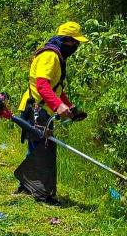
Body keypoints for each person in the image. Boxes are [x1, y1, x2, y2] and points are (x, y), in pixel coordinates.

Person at [14, 21, 88, 205]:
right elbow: (42, 85)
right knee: (43, 151)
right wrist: (58, 106)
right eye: (75, 43)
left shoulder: (57, 56)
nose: (77, 47)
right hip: (36, 109)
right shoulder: (50, 56)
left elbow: (56, 89)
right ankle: (42, 194)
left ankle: (25, 185)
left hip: (42, 109)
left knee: (37, 148)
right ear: (66, 40)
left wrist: (68, 107)